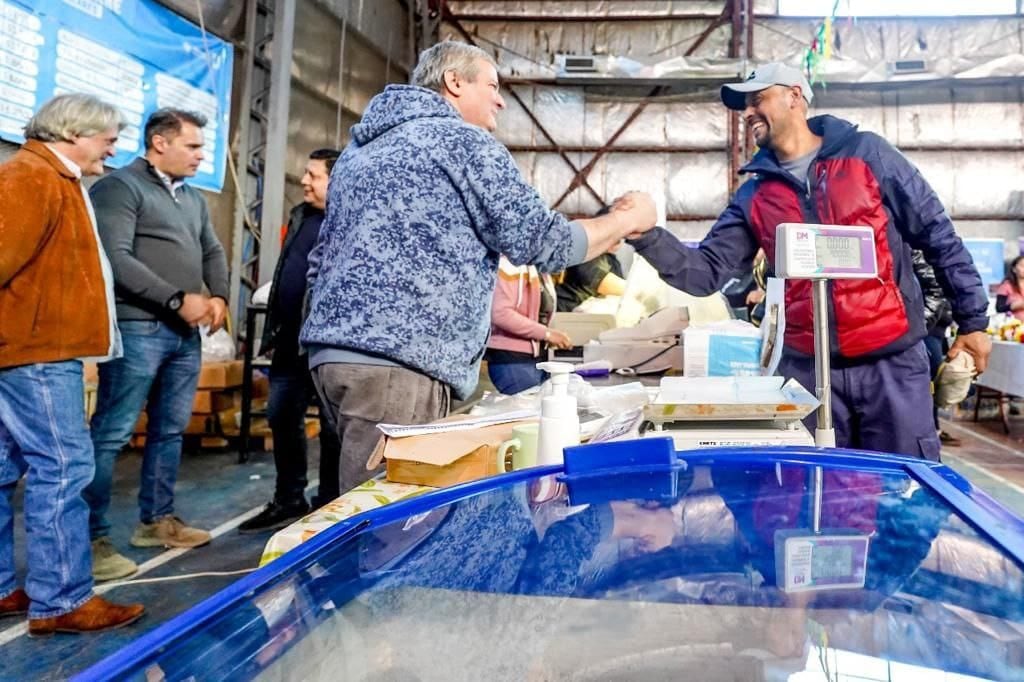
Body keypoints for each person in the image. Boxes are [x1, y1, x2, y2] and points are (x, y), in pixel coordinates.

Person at [302, 41, 658, 492]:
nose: (500, 99)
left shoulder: (361, 152)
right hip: (398, 365)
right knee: (394, 526)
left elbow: (322, 258)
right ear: (454, 82)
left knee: (361, 502)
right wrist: (628, 219)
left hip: (333, 358)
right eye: (491, 85)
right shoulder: (462, 142)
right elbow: (541, 241)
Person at [626, 62, 991, 460]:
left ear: (794, 97)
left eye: (757, 99)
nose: (747, 112)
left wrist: (973, 322)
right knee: (820, 496)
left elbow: (937, 234)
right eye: (743, 105)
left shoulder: (867, 155)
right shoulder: (754, 195)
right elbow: (705, 272)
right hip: (809, 374)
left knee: (907, 492)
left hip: (892, 364)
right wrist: (646, 235)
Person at [0, 94, 144, 635]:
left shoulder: (52, 179)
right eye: (107, 138)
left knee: (8, 469)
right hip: (36, 352)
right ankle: (61, 600)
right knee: (64, 468)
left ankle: (9, 590)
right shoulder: (32, 177)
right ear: (74, 133)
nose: (112, 147)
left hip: (29, 349)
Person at [84, 108, 230, 581]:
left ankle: (156, 521)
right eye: (192, 147)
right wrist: (174, 299)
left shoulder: (191, 198)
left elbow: (213, 249)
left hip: (183, 334)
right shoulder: (119, 188)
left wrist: (221, 295)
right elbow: (116, 258)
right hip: (139, 327)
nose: (199, 156)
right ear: (160, 143)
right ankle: (91, 538)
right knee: (112, 432)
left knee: (169, 431)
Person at [240, 149, 344, 534]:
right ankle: (288, 498)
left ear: (336, 180)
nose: (304, 180)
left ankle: (329, 505)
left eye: (313, 175)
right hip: (288, 341)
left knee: (333, 429)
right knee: (281, 416)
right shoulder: (300, 215)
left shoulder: (348, 220)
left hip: (322, 342)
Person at [486, 255, 573, 394]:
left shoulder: (538, 268)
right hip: (513, 360)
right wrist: (546, 334)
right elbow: (500, 312)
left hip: (535, 359)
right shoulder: (509, 264)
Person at [914, 250, 961, 447]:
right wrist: (918, 329)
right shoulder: (920, 256)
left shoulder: (942, 261)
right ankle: (931, 428)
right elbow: (934, 291)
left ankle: (934, 428)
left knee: (933, 383)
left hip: (936, 331)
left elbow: (939, 292)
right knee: (927, 384)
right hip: (927, 332)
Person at [995, 255, 1024, 321]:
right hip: (1014, 326)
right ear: (1014, 269)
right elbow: (999, 308)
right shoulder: (1006, 286)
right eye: (1022, 266)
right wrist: (1013, 306)